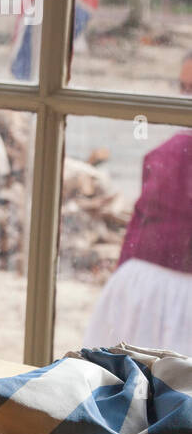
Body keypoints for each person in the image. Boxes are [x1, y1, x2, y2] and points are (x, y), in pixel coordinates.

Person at [85, 130, 192, 355]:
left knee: (115, 377)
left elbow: (140, 220)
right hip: (170, 288)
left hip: (138, 280)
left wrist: (120, 272)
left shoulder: (172, 146)